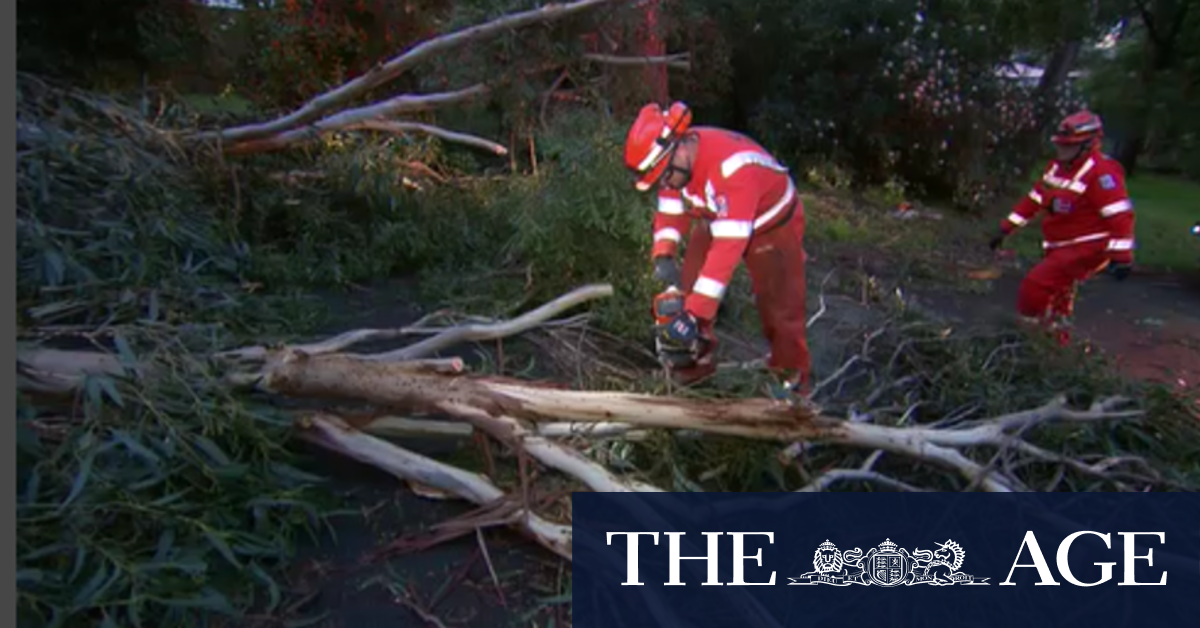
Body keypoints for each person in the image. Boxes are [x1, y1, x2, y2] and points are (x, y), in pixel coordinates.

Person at [622, 101, 812, 398]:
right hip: (717, 214)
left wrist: (695, 314)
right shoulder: (674, 162)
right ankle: (694, 370)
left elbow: (726, 253)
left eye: (666, 176)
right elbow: (671, 209)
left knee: (781, 308)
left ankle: (793, 387)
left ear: (680, 149)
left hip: (773, 223)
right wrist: (664, 252)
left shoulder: (732, 170)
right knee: (686, 290)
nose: (667, 183)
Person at [988, 109, 1136, 346]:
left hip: (1087, 246)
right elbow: (1035, 199)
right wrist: (1005, 228)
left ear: (1089, 145)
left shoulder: (1102, 173)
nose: (1061, 150)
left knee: (1036, 285)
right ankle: (1058, 342)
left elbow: (1119, 215)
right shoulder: (1057, 168)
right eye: (1060, 144)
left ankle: (1029, 337)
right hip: (1061, 245)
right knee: (1059, 294)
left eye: (1068, 146)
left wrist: (1121, 257)